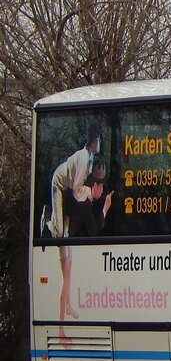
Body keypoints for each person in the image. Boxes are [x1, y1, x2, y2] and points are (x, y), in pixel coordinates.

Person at [46, 121, 104, 326]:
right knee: (59, 233)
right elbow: (78, 192)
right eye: (99, 140)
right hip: (59, 187)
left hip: (70, 192)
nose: (100, 143)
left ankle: (69, 303)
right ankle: (49, 223)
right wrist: (93, 195)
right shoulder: (82, 158)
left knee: (68, 258)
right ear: (93, 141)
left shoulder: (90, 158)